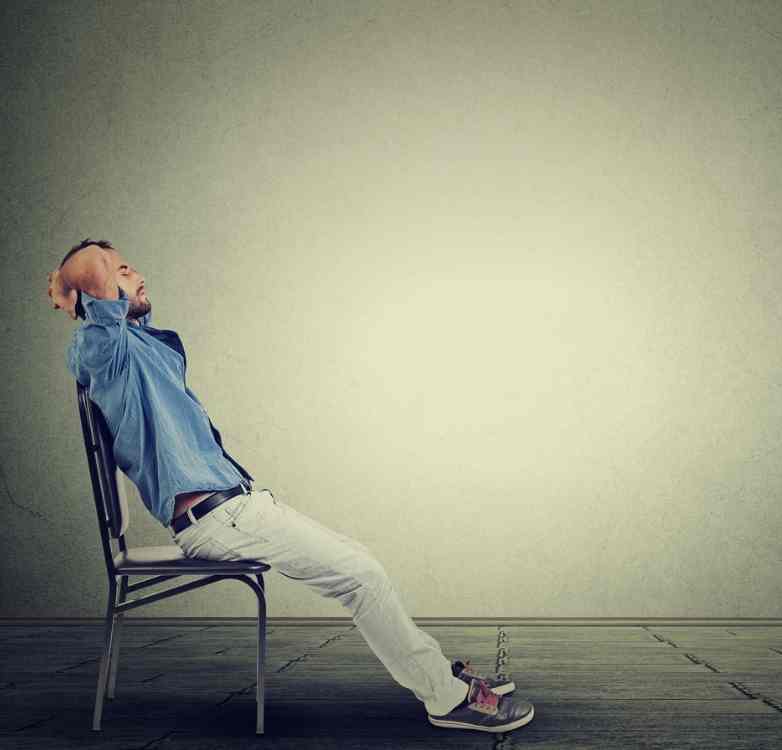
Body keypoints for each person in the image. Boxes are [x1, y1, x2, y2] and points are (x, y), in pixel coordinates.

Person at [47, 239, 535, 734]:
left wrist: (99, 290)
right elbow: (91, 266)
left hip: (235, 508)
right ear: (96, 297)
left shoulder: (138, 349)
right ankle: (446, 699)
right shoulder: (102, 349)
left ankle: (435, 674)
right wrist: (66, 287)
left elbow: (108, 285)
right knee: (363, 576)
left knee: (362, 564)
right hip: (216, 519)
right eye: (123, 270)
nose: (136, 274)